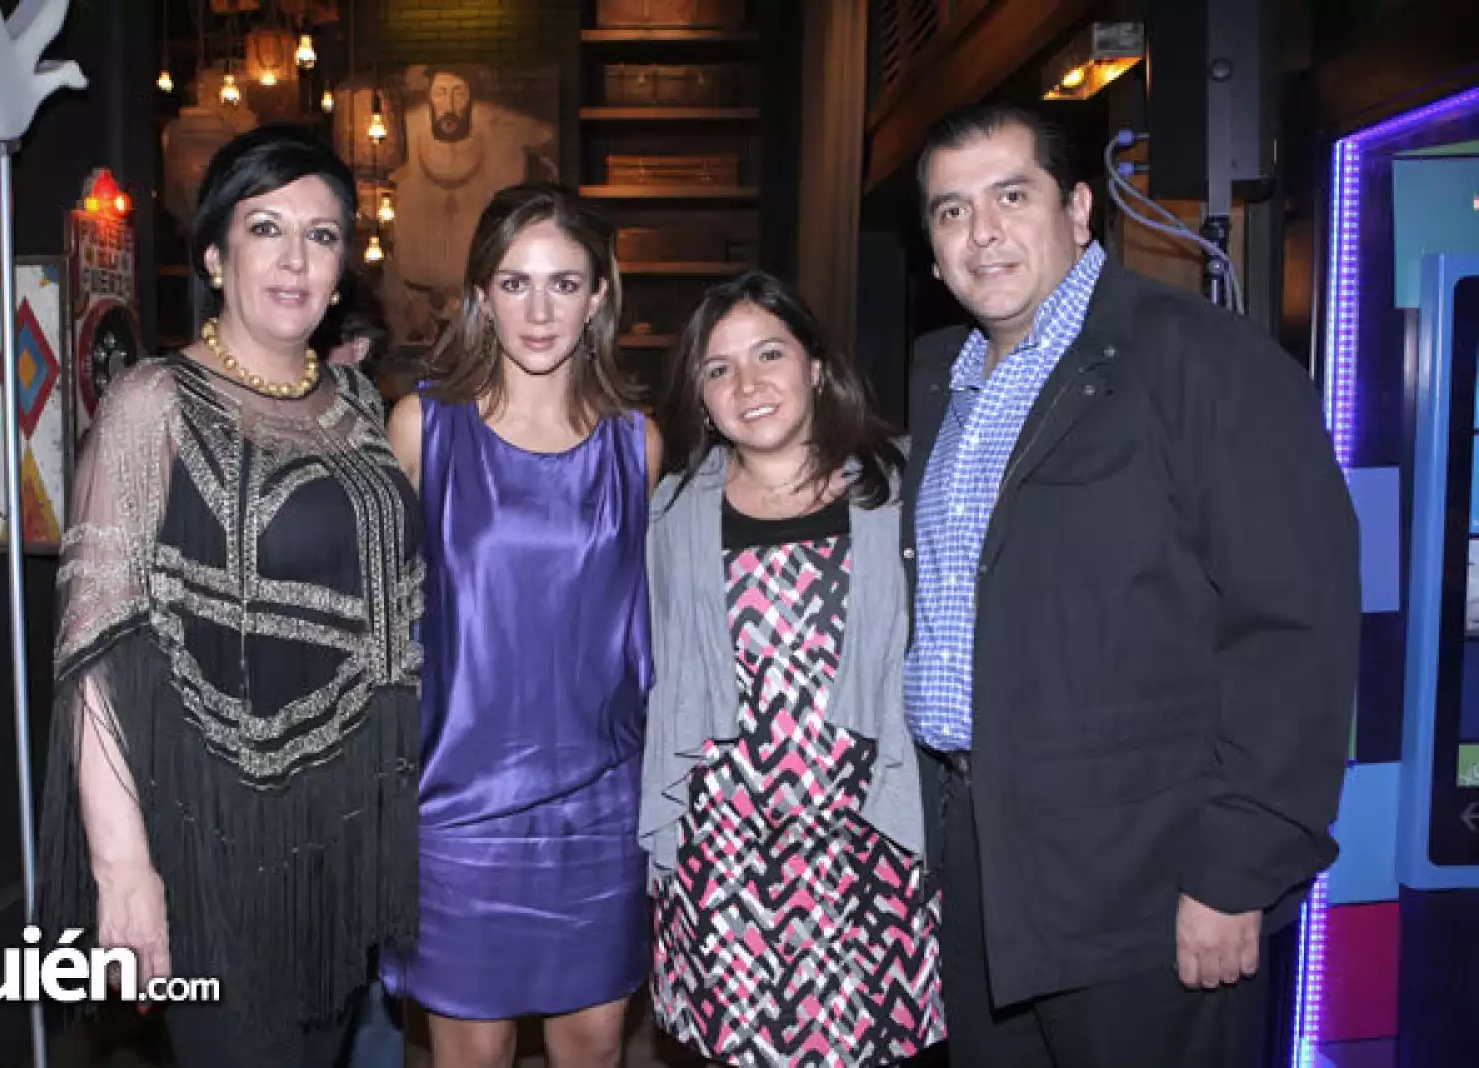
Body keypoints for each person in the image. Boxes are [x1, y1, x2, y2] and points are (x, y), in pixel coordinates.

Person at [902, 102, 1360, 1067]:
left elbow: (1293, 629)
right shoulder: (942, 377)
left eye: (1009, 196)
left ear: (1078, 209)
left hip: (1145, 885)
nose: (980, 233)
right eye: (950, 211)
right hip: (986, 860)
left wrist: (1238, 871)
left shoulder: (1200, 361)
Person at [35, 124, 425, 1068]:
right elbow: (94, 646)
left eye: (322, 235)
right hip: (212, 836)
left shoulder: (358, 405)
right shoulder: (150, 401)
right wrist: (123, 869)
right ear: (215, 254)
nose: (296, 259)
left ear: (343, 266)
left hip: (339, 834)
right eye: (266, 228)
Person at [382, 182, 661, 1068]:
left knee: (594, 1051)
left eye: (564, 284)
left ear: (601, 296)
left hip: (601, 809)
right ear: (479, 297)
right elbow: (387, 632)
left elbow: (646, 629)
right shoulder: (423, 429)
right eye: (514, 283)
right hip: (459, 812)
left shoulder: (638, 445)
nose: (539, 311)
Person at [641, 271, 945, 1066]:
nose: (748, 383)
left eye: (769, 353)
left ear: (816, 367)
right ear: (700, 395)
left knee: (875, 1045)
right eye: (719, 368)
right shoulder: (669, 516)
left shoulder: (906, 487)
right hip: (726, 856)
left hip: (873, 842)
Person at [386, 63, 558, 347]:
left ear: (471, 98)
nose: (450, 104)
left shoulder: (498, 131)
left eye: (459, 93)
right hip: (415, 297)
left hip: (484, 299)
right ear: (430, 98)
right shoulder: (401, 132)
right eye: (441, 93)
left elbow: (544, 136)